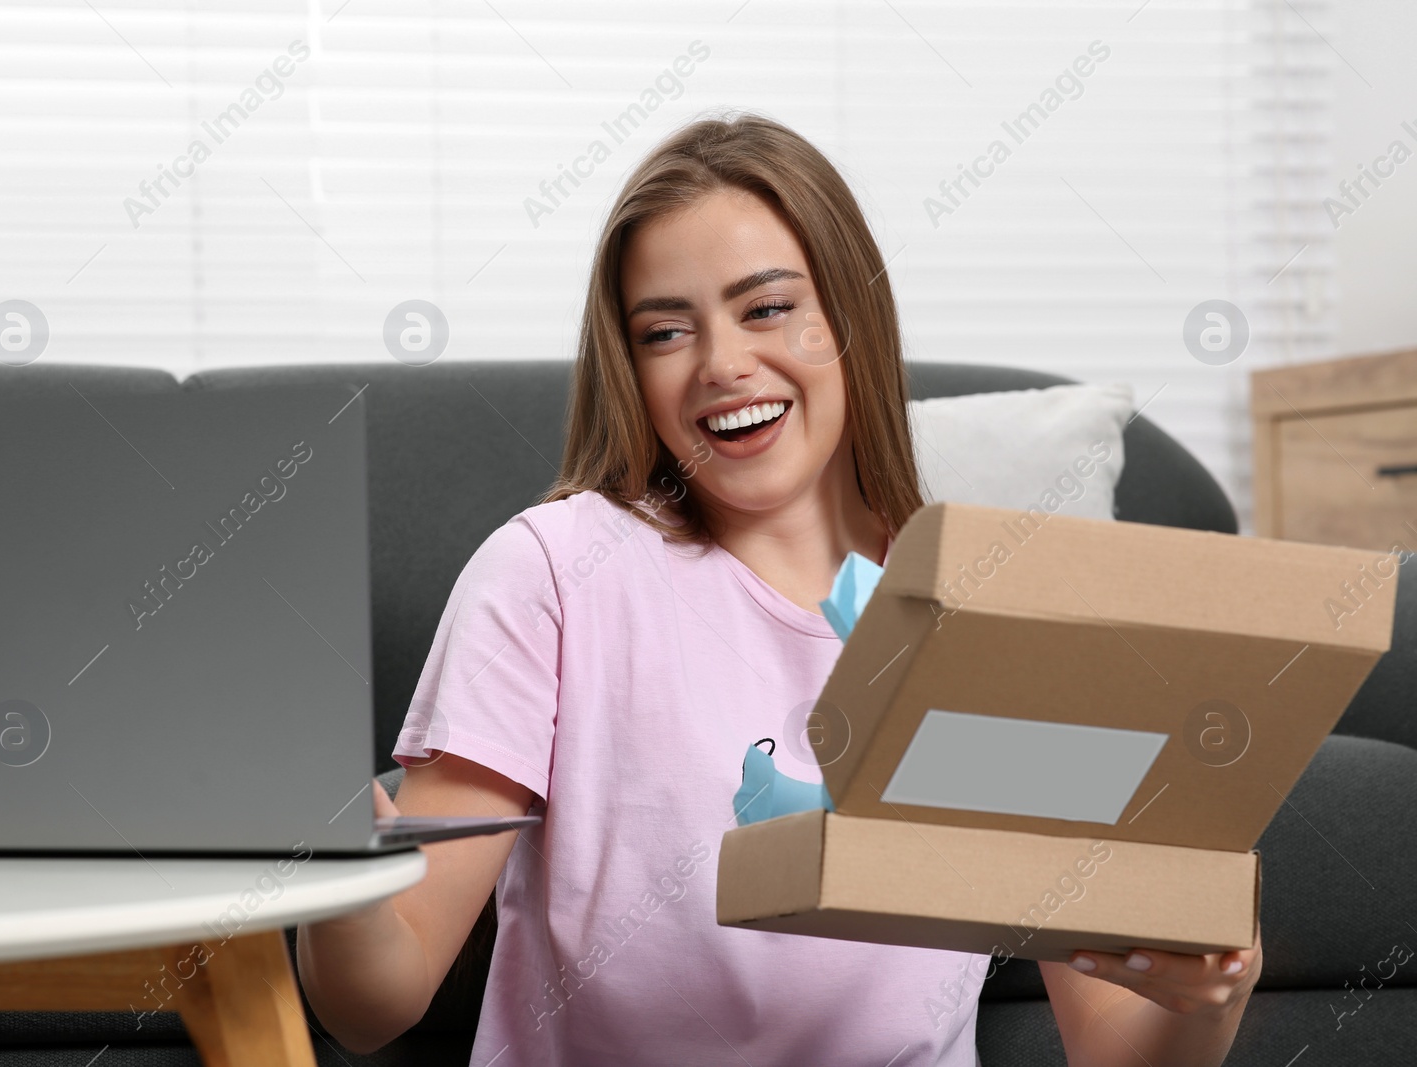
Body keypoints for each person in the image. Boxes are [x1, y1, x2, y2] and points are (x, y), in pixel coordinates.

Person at [296, 111, 1262, 1066]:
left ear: (851, 316)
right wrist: (338, 870)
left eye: (766, 308)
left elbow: (1119, 1048)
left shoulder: (985, 613)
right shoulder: (550, 571)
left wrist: (1211, 990)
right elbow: (376, 1004)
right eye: (665, 331)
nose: (721, 364)